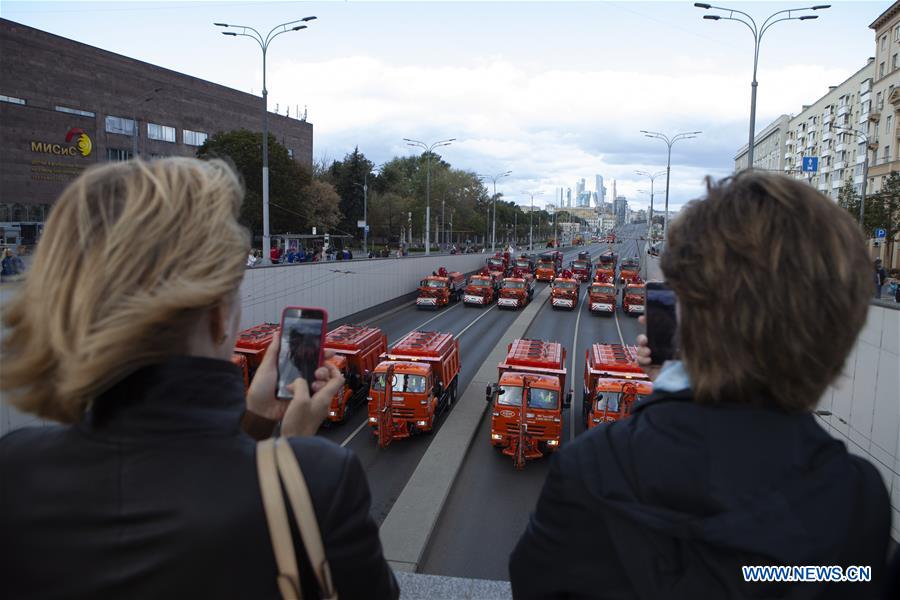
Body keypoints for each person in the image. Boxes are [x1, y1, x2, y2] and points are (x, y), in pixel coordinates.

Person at [0, 158, 398, 600]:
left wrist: (258, 418)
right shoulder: (320, 479)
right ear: (217, 314)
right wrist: (290, 452)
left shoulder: (15, 470)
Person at [510, 171, 890, 598]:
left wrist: (674, 394)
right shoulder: (855, 501)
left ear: (685, 312)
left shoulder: (593, 469)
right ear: (841, 332)